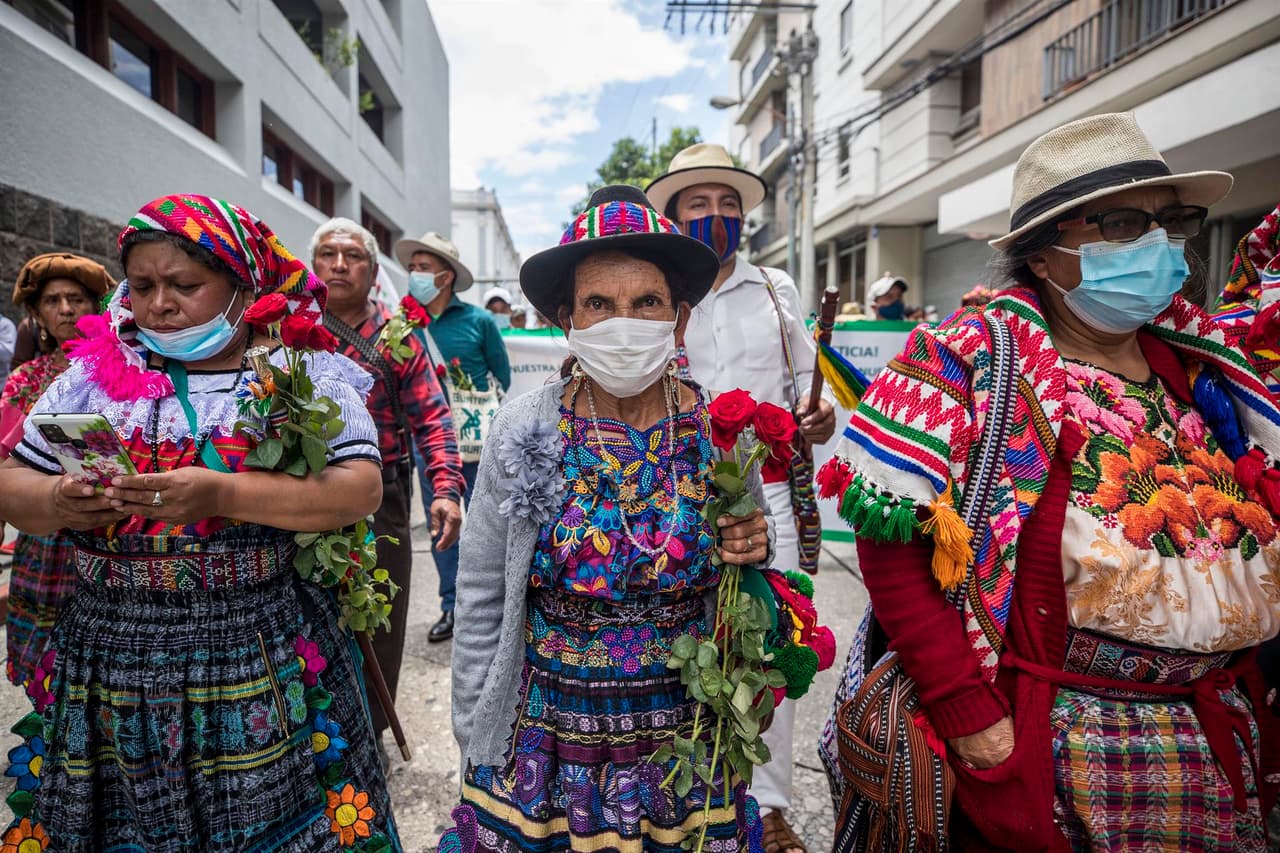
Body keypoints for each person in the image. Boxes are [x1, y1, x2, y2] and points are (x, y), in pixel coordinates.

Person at [821, 113, 1280, 851]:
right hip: (1059, 746)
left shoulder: (1206, 366)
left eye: (1172, 222)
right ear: (1042, 254)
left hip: (1215, 738)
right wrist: (969, 713)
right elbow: (894, 545)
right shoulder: (972, 363)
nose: (1158, 245)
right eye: (1123, 224)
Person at [0, 194, 401, 849]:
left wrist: (222, 493)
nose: (160, 304)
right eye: (143, 286)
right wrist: (58, 501)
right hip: (109, 654)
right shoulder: (89, 380)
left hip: (251, 647)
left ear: (242, 287)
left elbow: (358, 488)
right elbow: (11, 481)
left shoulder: (293, 375)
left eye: (185, 286)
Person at [437, 185, 772, 852]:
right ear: (569, 321)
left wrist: (753, 547)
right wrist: (475, 725)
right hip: (547, 729)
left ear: (678, 320)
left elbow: (752, 571)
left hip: (685, 730)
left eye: (646, 302)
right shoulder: (524, 427)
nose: (625, 322)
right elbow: (480, 589)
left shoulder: (721, 430)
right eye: (599, 304)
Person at [647, 141, 837, 853]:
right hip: (672, 494)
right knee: (679, 641)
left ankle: (769, 804)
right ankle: (683, 790)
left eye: (728, 203)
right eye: (700, 202)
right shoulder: (657, 289)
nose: (717, 214)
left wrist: (819, 419)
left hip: (769, 496)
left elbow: (808, 393)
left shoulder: (775, 290)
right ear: (673, 215)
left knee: (769, 643)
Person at [311, 217, 464, 748]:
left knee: (380, 617)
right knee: (312, 615)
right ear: (313, 265)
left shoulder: (398, 337)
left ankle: (370, 731)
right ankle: (317, 735)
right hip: (301, 494)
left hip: (382, 496)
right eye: (328, 254)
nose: (338, 265)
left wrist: (445, 490)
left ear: (373, 271)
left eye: (352, 256)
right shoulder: (289, 333)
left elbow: (433, 418)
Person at [0, 253, 112, 687]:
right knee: (45, 658)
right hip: (46, 534)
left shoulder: (119, 371)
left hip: (110, 530)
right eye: (53, 301)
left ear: (96, 306)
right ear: (36, 314)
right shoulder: (26, 380)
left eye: (76, 299)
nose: (66, 310)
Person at [393, 231, 511, 643]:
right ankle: (452, 605)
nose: (415, 274)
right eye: (412, 268)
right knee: (442, 523)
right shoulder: (402, 325)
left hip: (478, 442)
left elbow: (502, 376)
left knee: (485, 523)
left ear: (446, 277)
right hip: (429, 446)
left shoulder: (479, 322)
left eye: (424, 268)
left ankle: (491, 602)